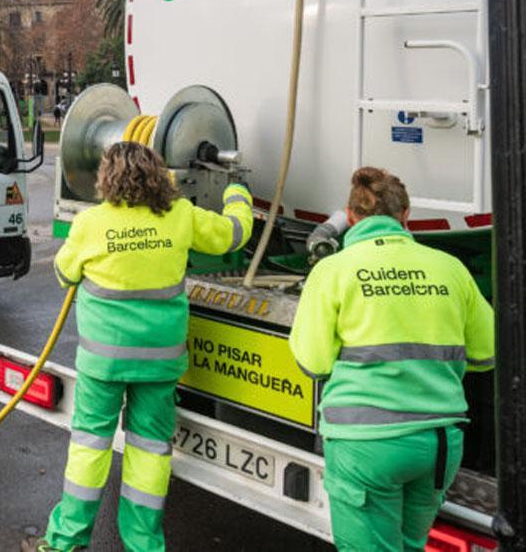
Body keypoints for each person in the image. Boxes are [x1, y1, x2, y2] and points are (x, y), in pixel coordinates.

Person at [30, 141, 253, 551]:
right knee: (150, 453)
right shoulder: (180, 216)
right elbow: (233, 236)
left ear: (106, 179)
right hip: (160, 364)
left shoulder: (90, 222)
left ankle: (65, 542)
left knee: (90, 447)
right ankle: (144, 545)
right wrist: (237, 191)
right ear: (157, 175)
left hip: (104, 364)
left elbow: (64, 273)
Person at [289, 167, 494, 551]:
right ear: (406, 215)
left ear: (350, 217)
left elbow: (312, 362)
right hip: (437, 444)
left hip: (366, 445)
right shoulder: (450, 268)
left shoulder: (333, 271)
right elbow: (487, 354)